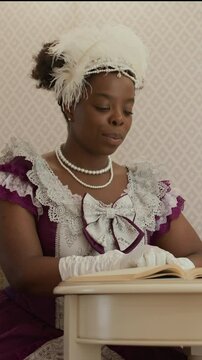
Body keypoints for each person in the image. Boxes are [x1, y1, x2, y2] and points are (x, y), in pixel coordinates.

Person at [0, 23, 201, 360]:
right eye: (104, 107)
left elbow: (198, 256)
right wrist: (119, 265)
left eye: (128, 109)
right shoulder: (25, 177)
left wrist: (167, 265)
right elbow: (24, 272)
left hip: (133, 337)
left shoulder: (147, 188)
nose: (118, 120)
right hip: (37, 332)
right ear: (69, 105)